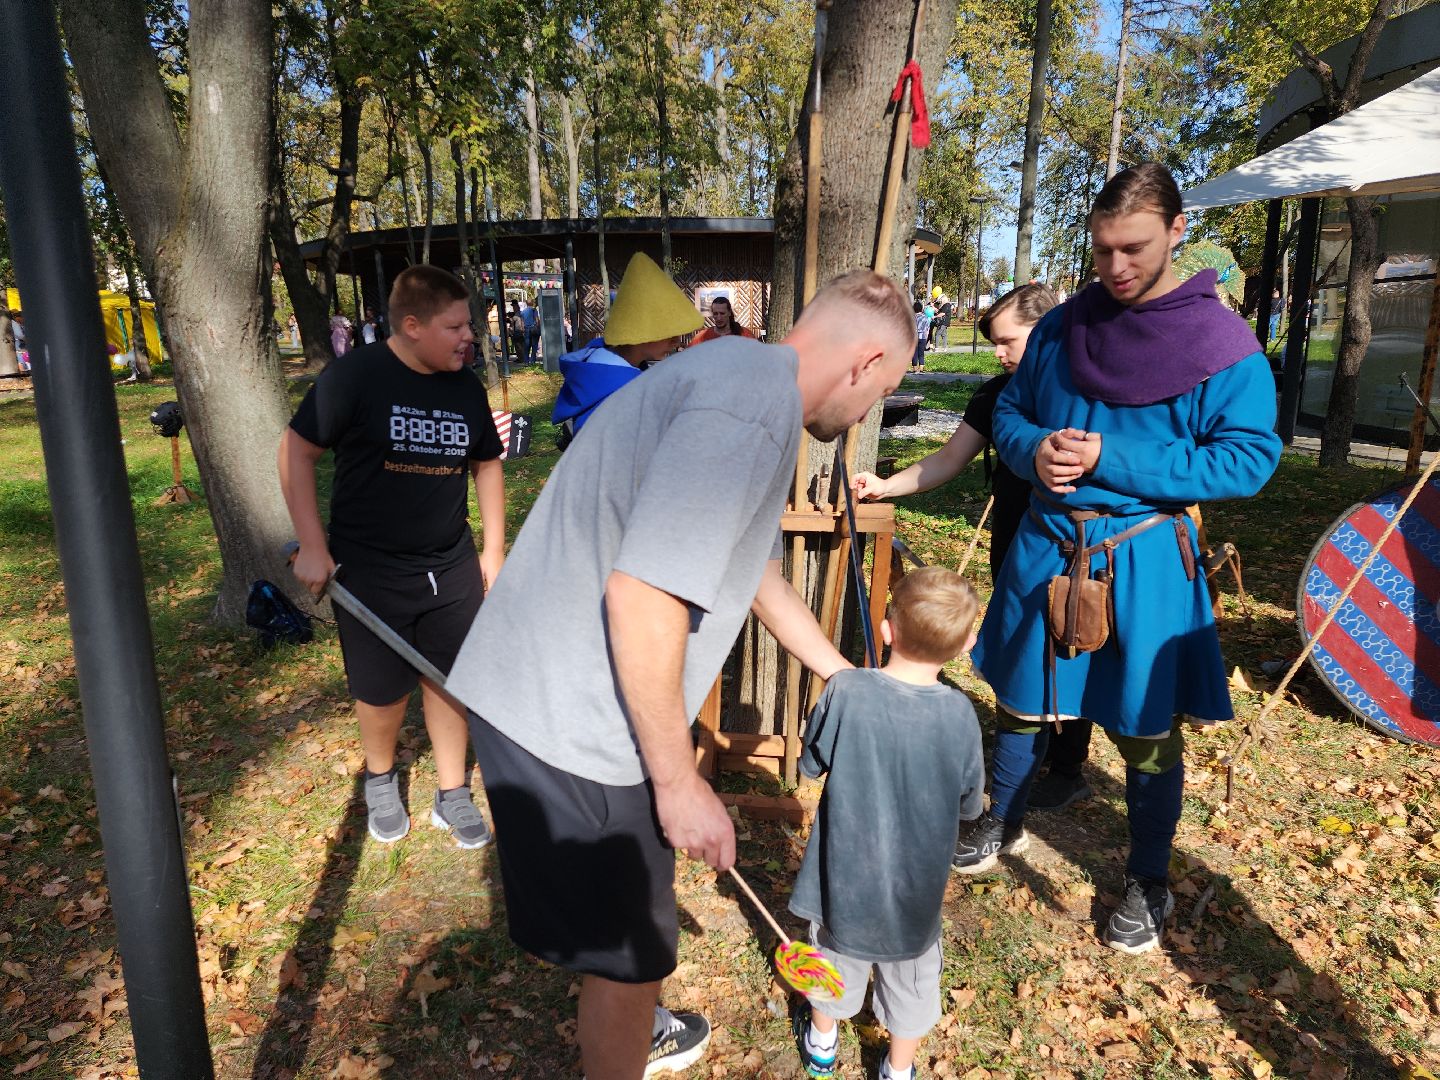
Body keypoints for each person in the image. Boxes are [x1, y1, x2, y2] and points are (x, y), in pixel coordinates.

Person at [443, 269, 915, 1080]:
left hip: (555, 689)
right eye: (884, 392)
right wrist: (678, 782)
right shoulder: (750, 408)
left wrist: (841, 673)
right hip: (570, 709)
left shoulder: (741, 380)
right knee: (632, 950)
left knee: (628, 934)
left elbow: (754, 574)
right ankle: (625, 1035)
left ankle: (630, 1022)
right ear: (866, 362)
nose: (869, 412)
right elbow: (642, 595)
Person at [957, 163, 1281, 954]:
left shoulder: (1222, 347)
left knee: (1143, 725)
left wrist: (1112, 457)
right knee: (1024, 699)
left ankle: (1147, 877)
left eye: (1132, 248)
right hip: (1047, 543)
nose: (1116, 268)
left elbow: (1246, 461)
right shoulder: (1065, 327)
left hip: (1143, 559)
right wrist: (1034, 453)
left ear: (1175, 231)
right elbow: (1011, 413)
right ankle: (1003, 817)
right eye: (1102, 251)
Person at [280, 265, 507, 851]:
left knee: (451, 679)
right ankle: (380, 780)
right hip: (370, 566)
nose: (469, 337)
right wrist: (312, 544)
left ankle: (452, 792)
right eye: (456, 326)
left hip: (451, 563)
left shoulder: (465, 387)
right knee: (382, 690)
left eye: (470, 325)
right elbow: (296, 451)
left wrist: (494, 549)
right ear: (411, 325)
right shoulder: (355, 378)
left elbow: (486, 463)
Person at [790, 567, 985, 1080]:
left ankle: (823, 1044)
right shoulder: (962, 715)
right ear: (966, 645)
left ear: (885, 629)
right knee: (913, 985)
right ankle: (899, 1069)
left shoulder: (846, 690)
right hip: (914, 899)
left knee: (831, 965)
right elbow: (970, 803)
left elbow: (811, 762)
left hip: (841, 884)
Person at [551, 253, 703, 449]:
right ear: (640, 335)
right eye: (669, 333)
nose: (676, 341)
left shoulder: (599, 366)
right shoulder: (618, 393)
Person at [910, 301, 931, 373]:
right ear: (921, 309)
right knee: (921, 353)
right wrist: (927, 336)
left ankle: (915, 367)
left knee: (914, 352)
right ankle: (921, 367)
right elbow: (927, 328)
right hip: (923, 337)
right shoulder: (925, 317)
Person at [520, 296, 540, 363]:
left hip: (526, 330)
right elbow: (537, 320)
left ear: (526, 303)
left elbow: (522, 323)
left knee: (527, 345)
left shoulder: (522, 312)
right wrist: (538, 327)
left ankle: (526, 361)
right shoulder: (534, 310)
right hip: (533, 329)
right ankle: (532, 361)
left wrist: (523, 330)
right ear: (532, 303)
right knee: (534, 345)